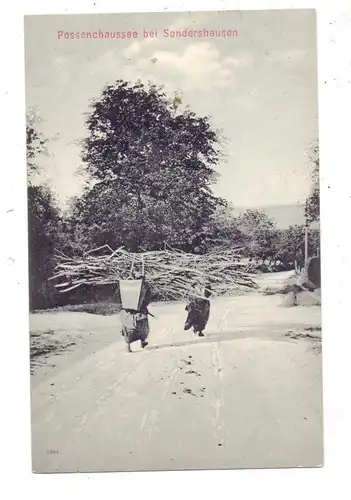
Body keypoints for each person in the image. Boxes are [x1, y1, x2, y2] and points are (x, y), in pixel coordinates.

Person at [120, 278, 153, 353]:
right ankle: (138, 343)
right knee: (140, 328)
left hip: (129, 310)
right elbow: (147, 299)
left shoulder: (127, 288)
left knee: (130, 329)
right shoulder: (141, 289)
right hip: (137, 311)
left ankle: (136, 343)